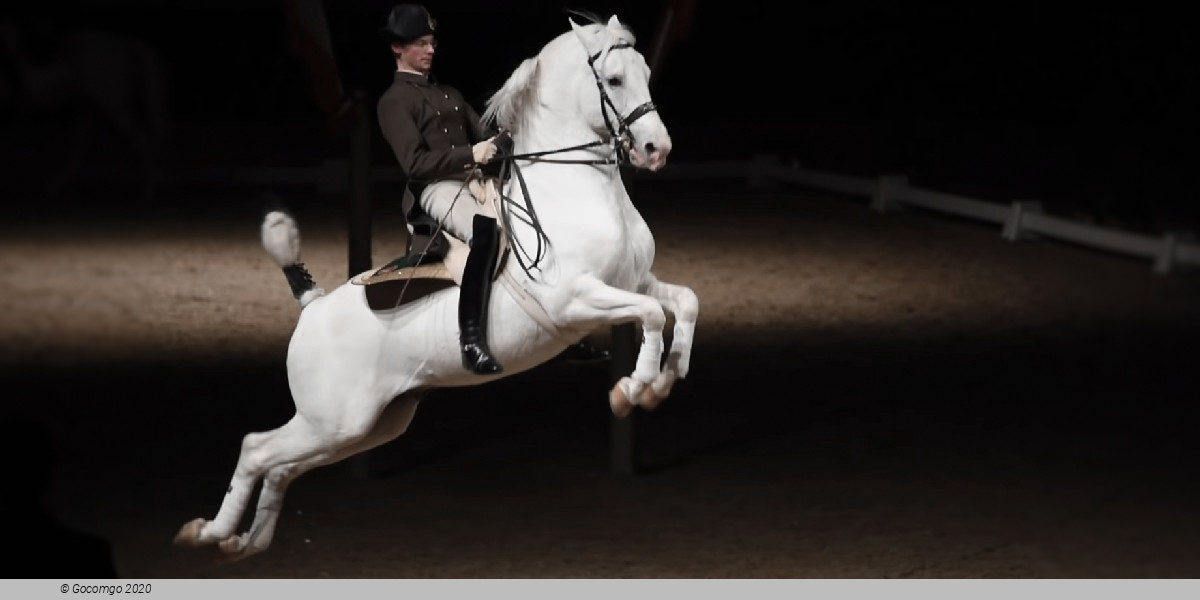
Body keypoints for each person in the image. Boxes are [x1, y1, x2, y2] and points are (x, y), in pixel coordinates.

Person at [375, 3, 608, 375]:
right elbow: (415, 164)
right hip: (436, 189)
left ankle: (557, 333)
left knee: (535, 227)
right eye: (420, 43)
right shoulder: (393, 102)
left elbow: (487, 138)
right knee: (486, 232)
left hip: (478, 182)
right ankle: (471, 340)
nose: (430, 50)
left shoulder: (448, 93)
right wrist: (472, 153)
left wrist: (519, 127)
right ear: (397, 48)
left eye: (432, 42)